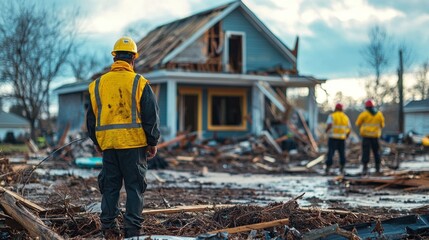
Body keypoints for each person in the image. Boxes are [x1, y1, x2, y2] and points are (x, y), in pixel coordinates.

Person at [86, 36, 160, 239]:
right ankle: (132, 231)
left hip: (109, 146)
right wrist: (152, 142)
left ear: (114, 58)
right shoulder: (140, 83)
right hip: (134, 145)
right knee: (135, 188)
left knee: (110, 188)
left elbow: (91, 120)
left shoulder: (97, 85)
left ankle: (108, 229)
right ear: (133, 58)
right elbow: (150, 116)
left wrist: (97, 143)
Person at [355, 99, 384, 176]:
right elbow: (382, 125)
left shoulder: (364, 114)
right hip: (375, 137)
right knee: (376, 152)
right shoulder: (379, 114)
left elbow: (358, 124)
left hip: (366, 136)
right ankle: (377, 167)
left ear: (366, 107)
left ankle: (365, 167)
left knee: (365, 152)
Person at [325, 103, 351, 175]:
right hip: (342, 139)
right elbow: (349, 129)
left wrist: (326, 131)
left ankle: (328, 168)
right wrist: (346, 136)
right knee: (342, 153)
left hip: (333, 138)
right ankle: (342, 168)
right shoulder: (345, 117)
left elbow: (329, 125)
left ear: (335, 108)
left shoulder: (332, 116)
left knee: (330, 153)